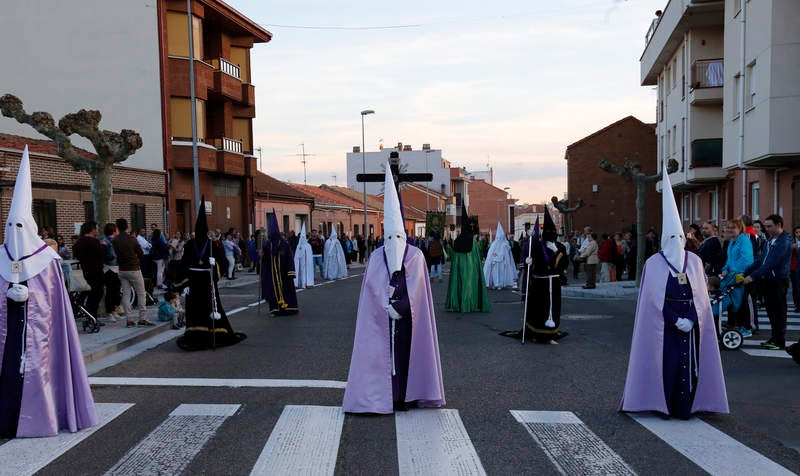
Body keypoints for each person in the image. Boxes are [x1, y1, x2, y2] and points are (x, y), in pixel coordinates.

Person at [0, 146, 98, 437]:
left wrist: (29, 296)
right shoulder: (1, 256)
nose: (15, 231)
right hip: (7, 333)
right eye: (10, 226)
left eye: (21, 226)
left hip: (40, 332)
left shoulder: (48, 259)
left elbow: (54, 301)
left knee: (38, 370)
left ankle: (42, 416)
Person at [621, 162, 727, 419]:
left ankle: (687, 406)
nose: (676, 244)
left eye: (679, 239)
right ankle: (664, 404)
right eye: (671, 239)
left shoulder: (694, 262)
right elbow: (651, 301)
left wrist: (690, 319)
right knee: (666, 364)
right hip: (665, 325)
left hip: (689, 324)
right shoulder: (654, 264)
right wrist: (673, 318)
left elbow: (701, 296)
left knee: (689, 364)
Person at [343, 163, 445, 413]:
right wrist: (384, 305)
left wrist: (400, 307)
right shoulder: (377, 257)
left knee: (406, 357)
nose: (393, 242)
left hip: (409, 321)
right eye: (389, 237)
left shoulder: (416, 256)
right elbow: (370, 290)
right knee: (383, 359)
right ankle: (384, 396)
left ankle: (407, 396)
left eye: (397, 237)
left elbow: (419, 291)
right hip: (383, 320)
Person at [176, 198, 246, 351]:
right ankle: (210, 333)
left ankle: (198, 334)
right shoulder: (209, 244)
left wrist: (185, 283)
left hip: (196, 280)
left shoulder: (195, 244)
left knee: (198, 308)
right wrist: (215, 273)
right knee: (207, 307)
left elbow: (183, 265)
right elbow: (220, 262)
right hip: (205, 280)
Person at [743, 214, 792, 350]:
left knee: (779, 311)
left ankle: (779, 340)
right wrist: (745, 272)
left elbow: (771, 263)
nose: (767, 229)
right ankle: (774, 337)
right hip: (768, 280)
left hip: (778, 280)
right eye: (766, 226)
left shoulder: (784, 241)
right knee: (771, 310)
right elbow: (760, 260)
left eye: (769, 226)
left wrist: (753, 276)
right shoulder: (771, 240)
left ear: (779, 225)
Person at [445, 205, 490, 312]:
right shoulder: (473, 242)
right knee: (470, 285)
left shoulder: (457, 241)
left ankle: (460, 305)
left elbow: (452, 255)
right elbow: (478, 253)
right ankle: (470, 305)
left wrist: (448, 244)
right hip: (471, 268)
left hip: (459, 268)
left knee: (460, 284)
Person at [113, 218, 154, 328]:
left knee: (126, 294)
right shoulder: (132, 239)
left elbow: (115, 253)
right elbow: (140, 253)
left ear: (117, 227)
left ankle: (129, 319)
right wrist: (135, 257)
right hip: (134, 268)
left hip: (122, 269)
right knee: (141, 293)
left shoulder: (115, 240)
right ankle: (142, 318)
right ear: (127, 226)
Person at [719, 219, 754, 337]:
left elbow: (747, 259)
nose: (729, 230)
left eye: (733, 227)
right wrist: (725, 269)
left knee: (742, 302)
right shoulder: (732, 242)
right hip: (732, 275)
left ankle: (746, 328)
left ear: (740, 229)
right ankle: (736, 325)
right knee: (734, 301)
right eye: (728, 227)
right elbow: (730, 260)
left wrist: (734, 272)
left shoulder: (744, 240)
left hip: (741, 275)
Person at [260, 211, 299, 316]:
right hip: (272, 274)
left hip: (284, 273)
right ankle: (275, 310)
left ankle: (288, 308)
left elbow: (290, 258)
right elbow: (266, 259)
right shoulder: (267, 245)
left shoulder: (284, 244)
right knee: (272, 292)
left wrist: (291, 272)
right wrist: (262, 256)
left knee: (286, 290)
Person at [72, 221, 105, 324]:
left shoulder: (79, 242)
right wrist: (103, 246)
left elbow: (76, 254)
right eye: (96, 228)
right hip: (96, 271)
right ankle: (92, 317)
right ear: (92, 229)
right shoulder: (93, 242)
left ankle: (82, 312)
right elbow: (101, 254)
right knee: (97, 294)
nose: (97, 230)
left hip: (85, 271)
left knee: (87, 293)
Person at [483, 222, 516, 289]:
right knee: (498, 273)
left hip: (500, 261)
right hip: (498, 261)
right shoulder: (502, 244)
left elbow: (507, 253)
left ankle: (498, 284)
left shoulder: (500, 244)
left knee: (498, 273)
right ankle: (497, 284)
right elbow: (490, 254)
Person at [101, 222, 123, 321]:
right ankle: (109, 312)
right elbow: (104, 255)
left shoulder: (114, 240)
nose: (118, 231)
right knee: (110, 291)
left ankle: (114, 310)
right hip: (108, 268)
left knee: (116, 290)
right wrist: (113, 256)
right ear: (113, 231)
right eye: (117, 230)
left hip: (115, 267)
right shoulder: (105, 241)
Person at [293, 224, 314, 289]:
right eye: (301, 238)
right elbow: (297, 255)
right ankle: (302, 284)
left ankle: (307, 283)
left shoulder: (308, 246)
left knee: (307, 272)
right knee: (301, 272)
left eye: (303, 238)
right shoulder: (299, 246)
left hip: (307, 262)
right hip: (301, 262)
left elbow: (310, 255)